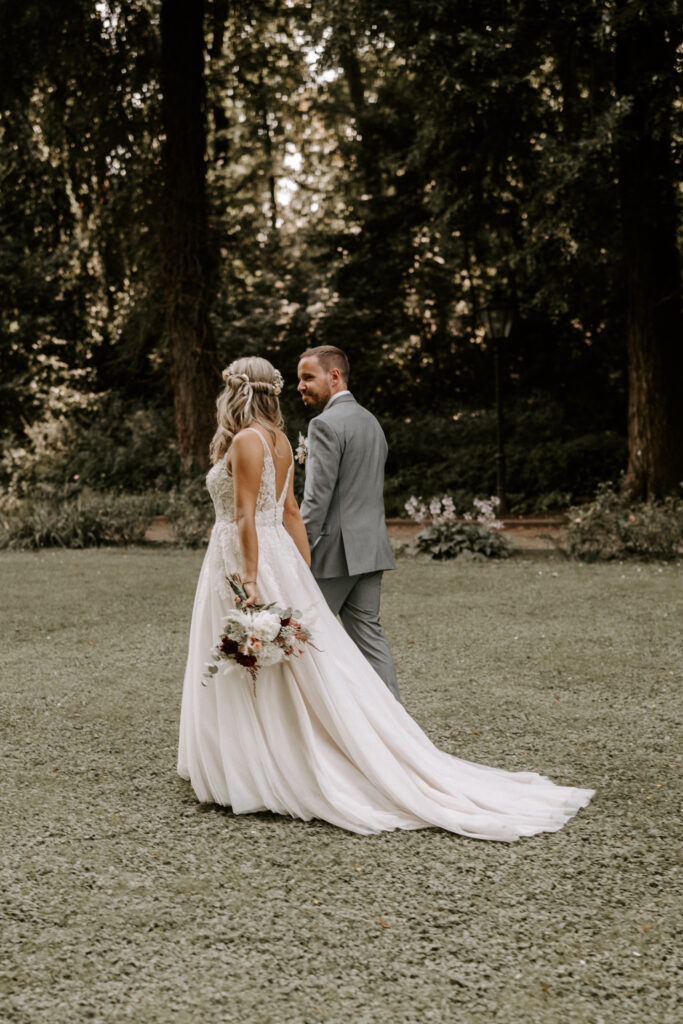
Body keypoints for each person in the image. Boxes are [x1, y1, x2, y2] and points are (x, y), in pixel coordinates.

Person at [177, 356, 594, 839]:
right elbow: (289, 511)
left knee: (271, 661)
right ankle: (263, 753)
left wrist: (251, 580)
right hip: (283, 556)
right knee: (290, 659)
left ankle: (269, 764)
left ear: (236, 391)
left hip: (247, 558)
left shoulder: (250, 439)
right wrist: (301, 573)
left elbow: (251, 516)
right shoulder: (282, 440)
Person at [297, 345, 400, 701]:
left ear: (335, 376)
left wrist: (297, 549)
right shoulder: (371, 421)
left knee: (299, 635)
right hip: (371, 549)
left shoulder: (324, 425)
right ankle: (397, 731)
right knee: (371, 642)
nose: (301, 385)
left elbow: (316, 500)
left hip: (333, 553)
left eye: (308, 377)